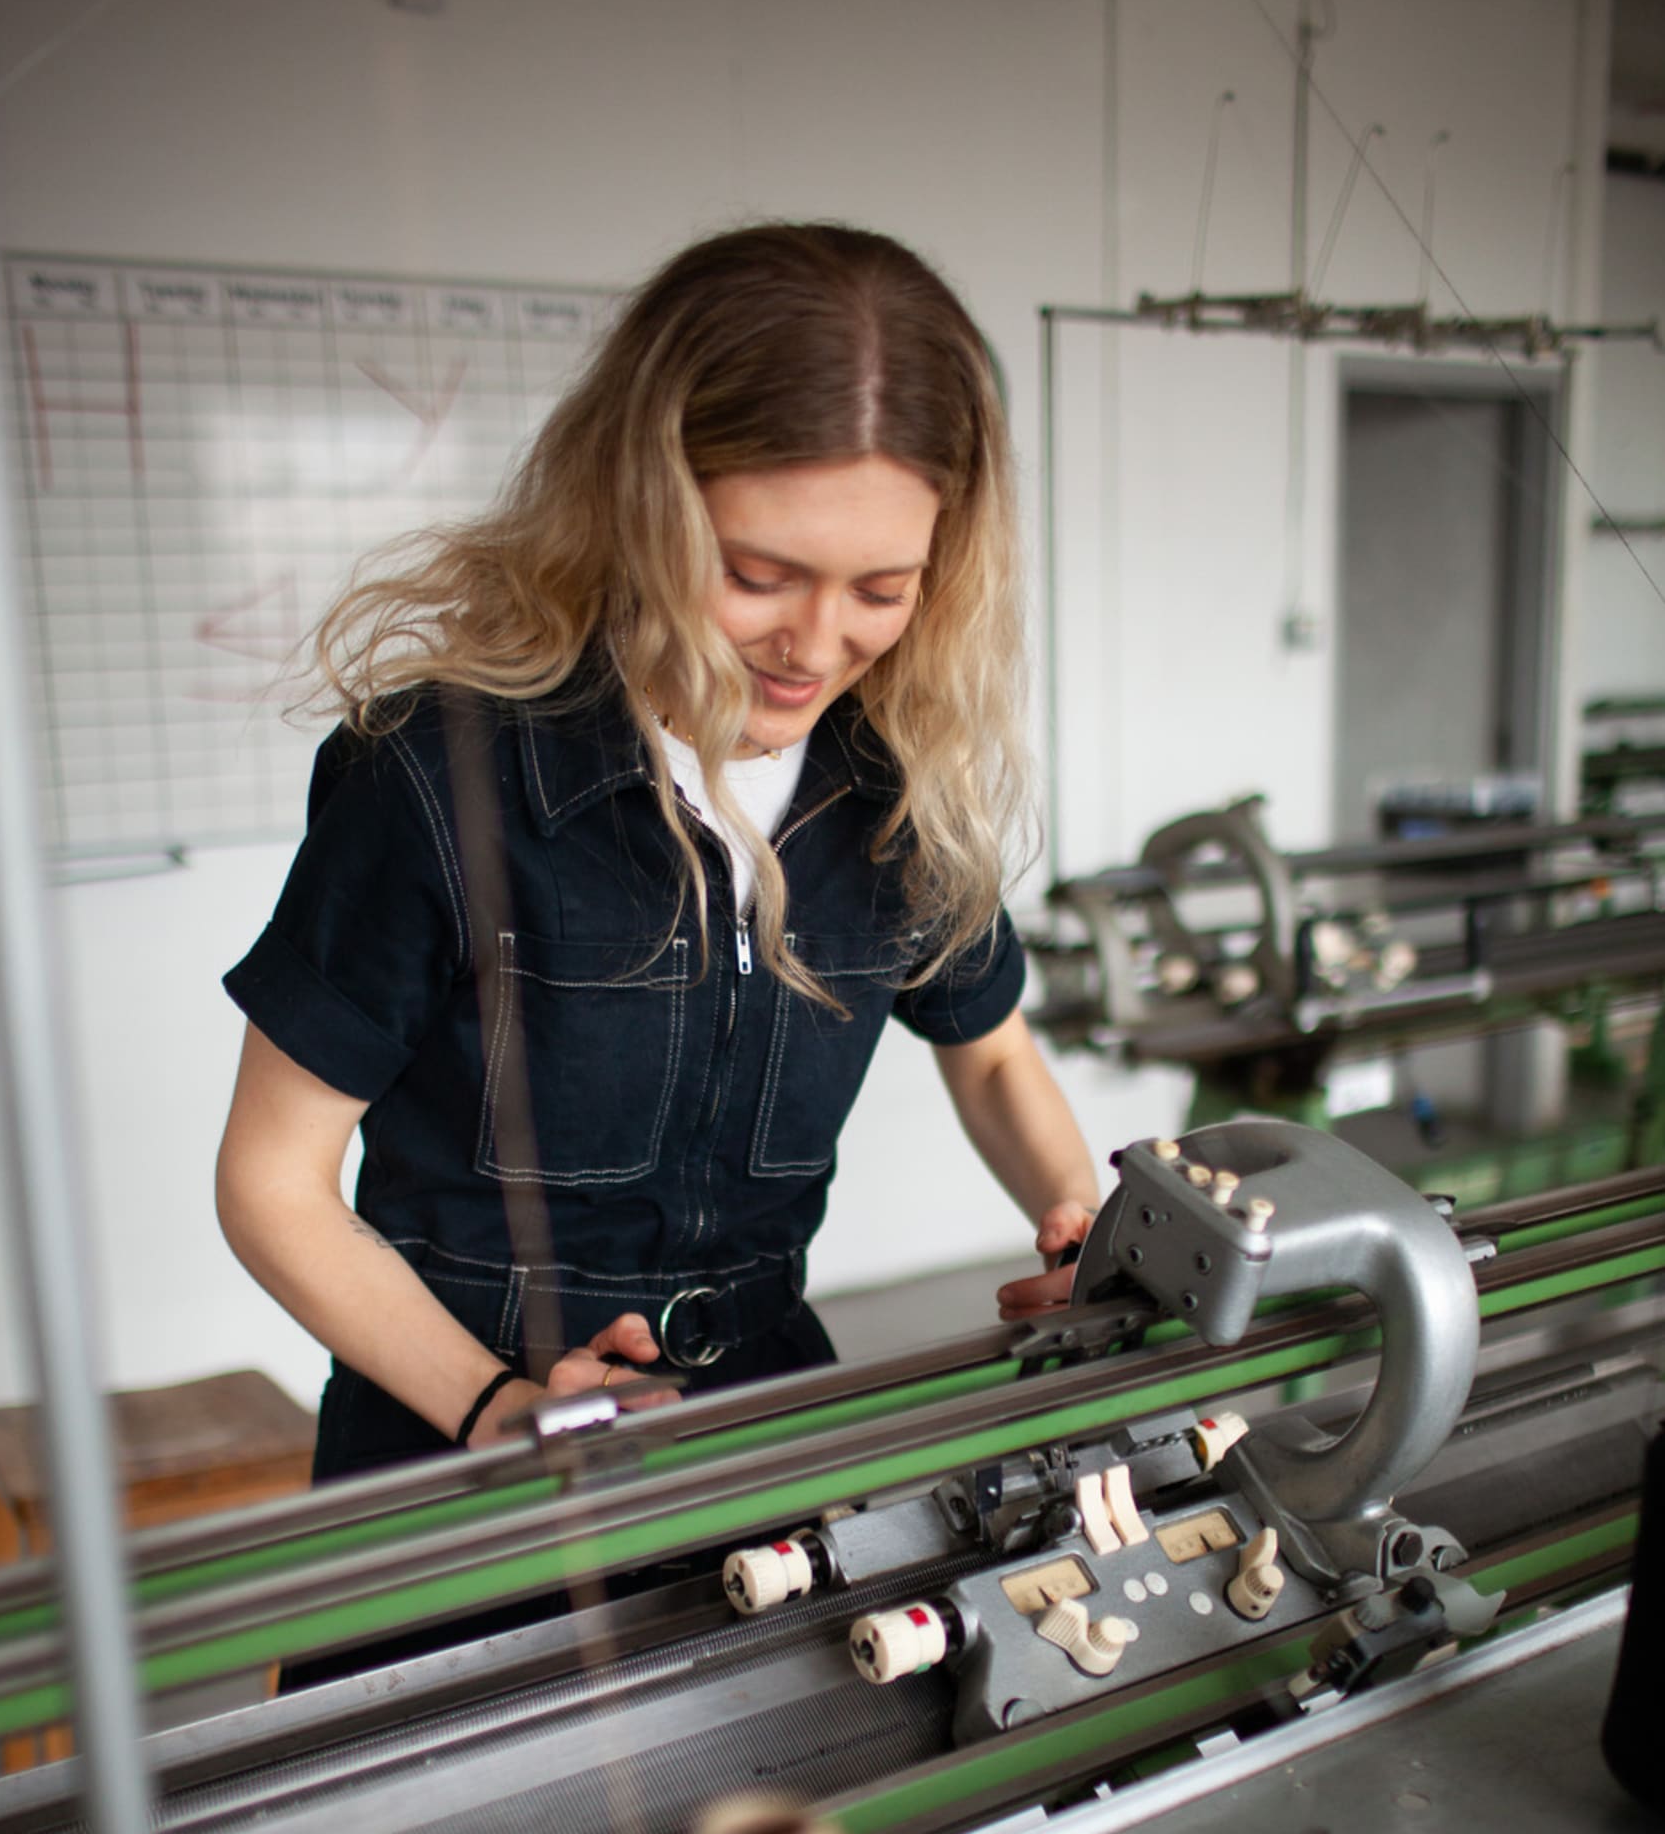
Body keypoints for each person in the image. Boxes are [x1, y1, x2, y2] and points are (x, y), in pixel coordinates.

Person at [217, 221, 1100, 1487]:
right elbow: (270, 1180)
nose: (813, 642)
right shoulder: (433, 773)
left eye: (881, 589)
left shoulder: (892, 784)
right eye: (757, 573)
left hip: (761, 1415)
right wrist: (502, 1407)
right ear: (643, 504)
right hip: (455, 1442)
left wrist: (1079, 1223)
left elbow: (995, 1050)